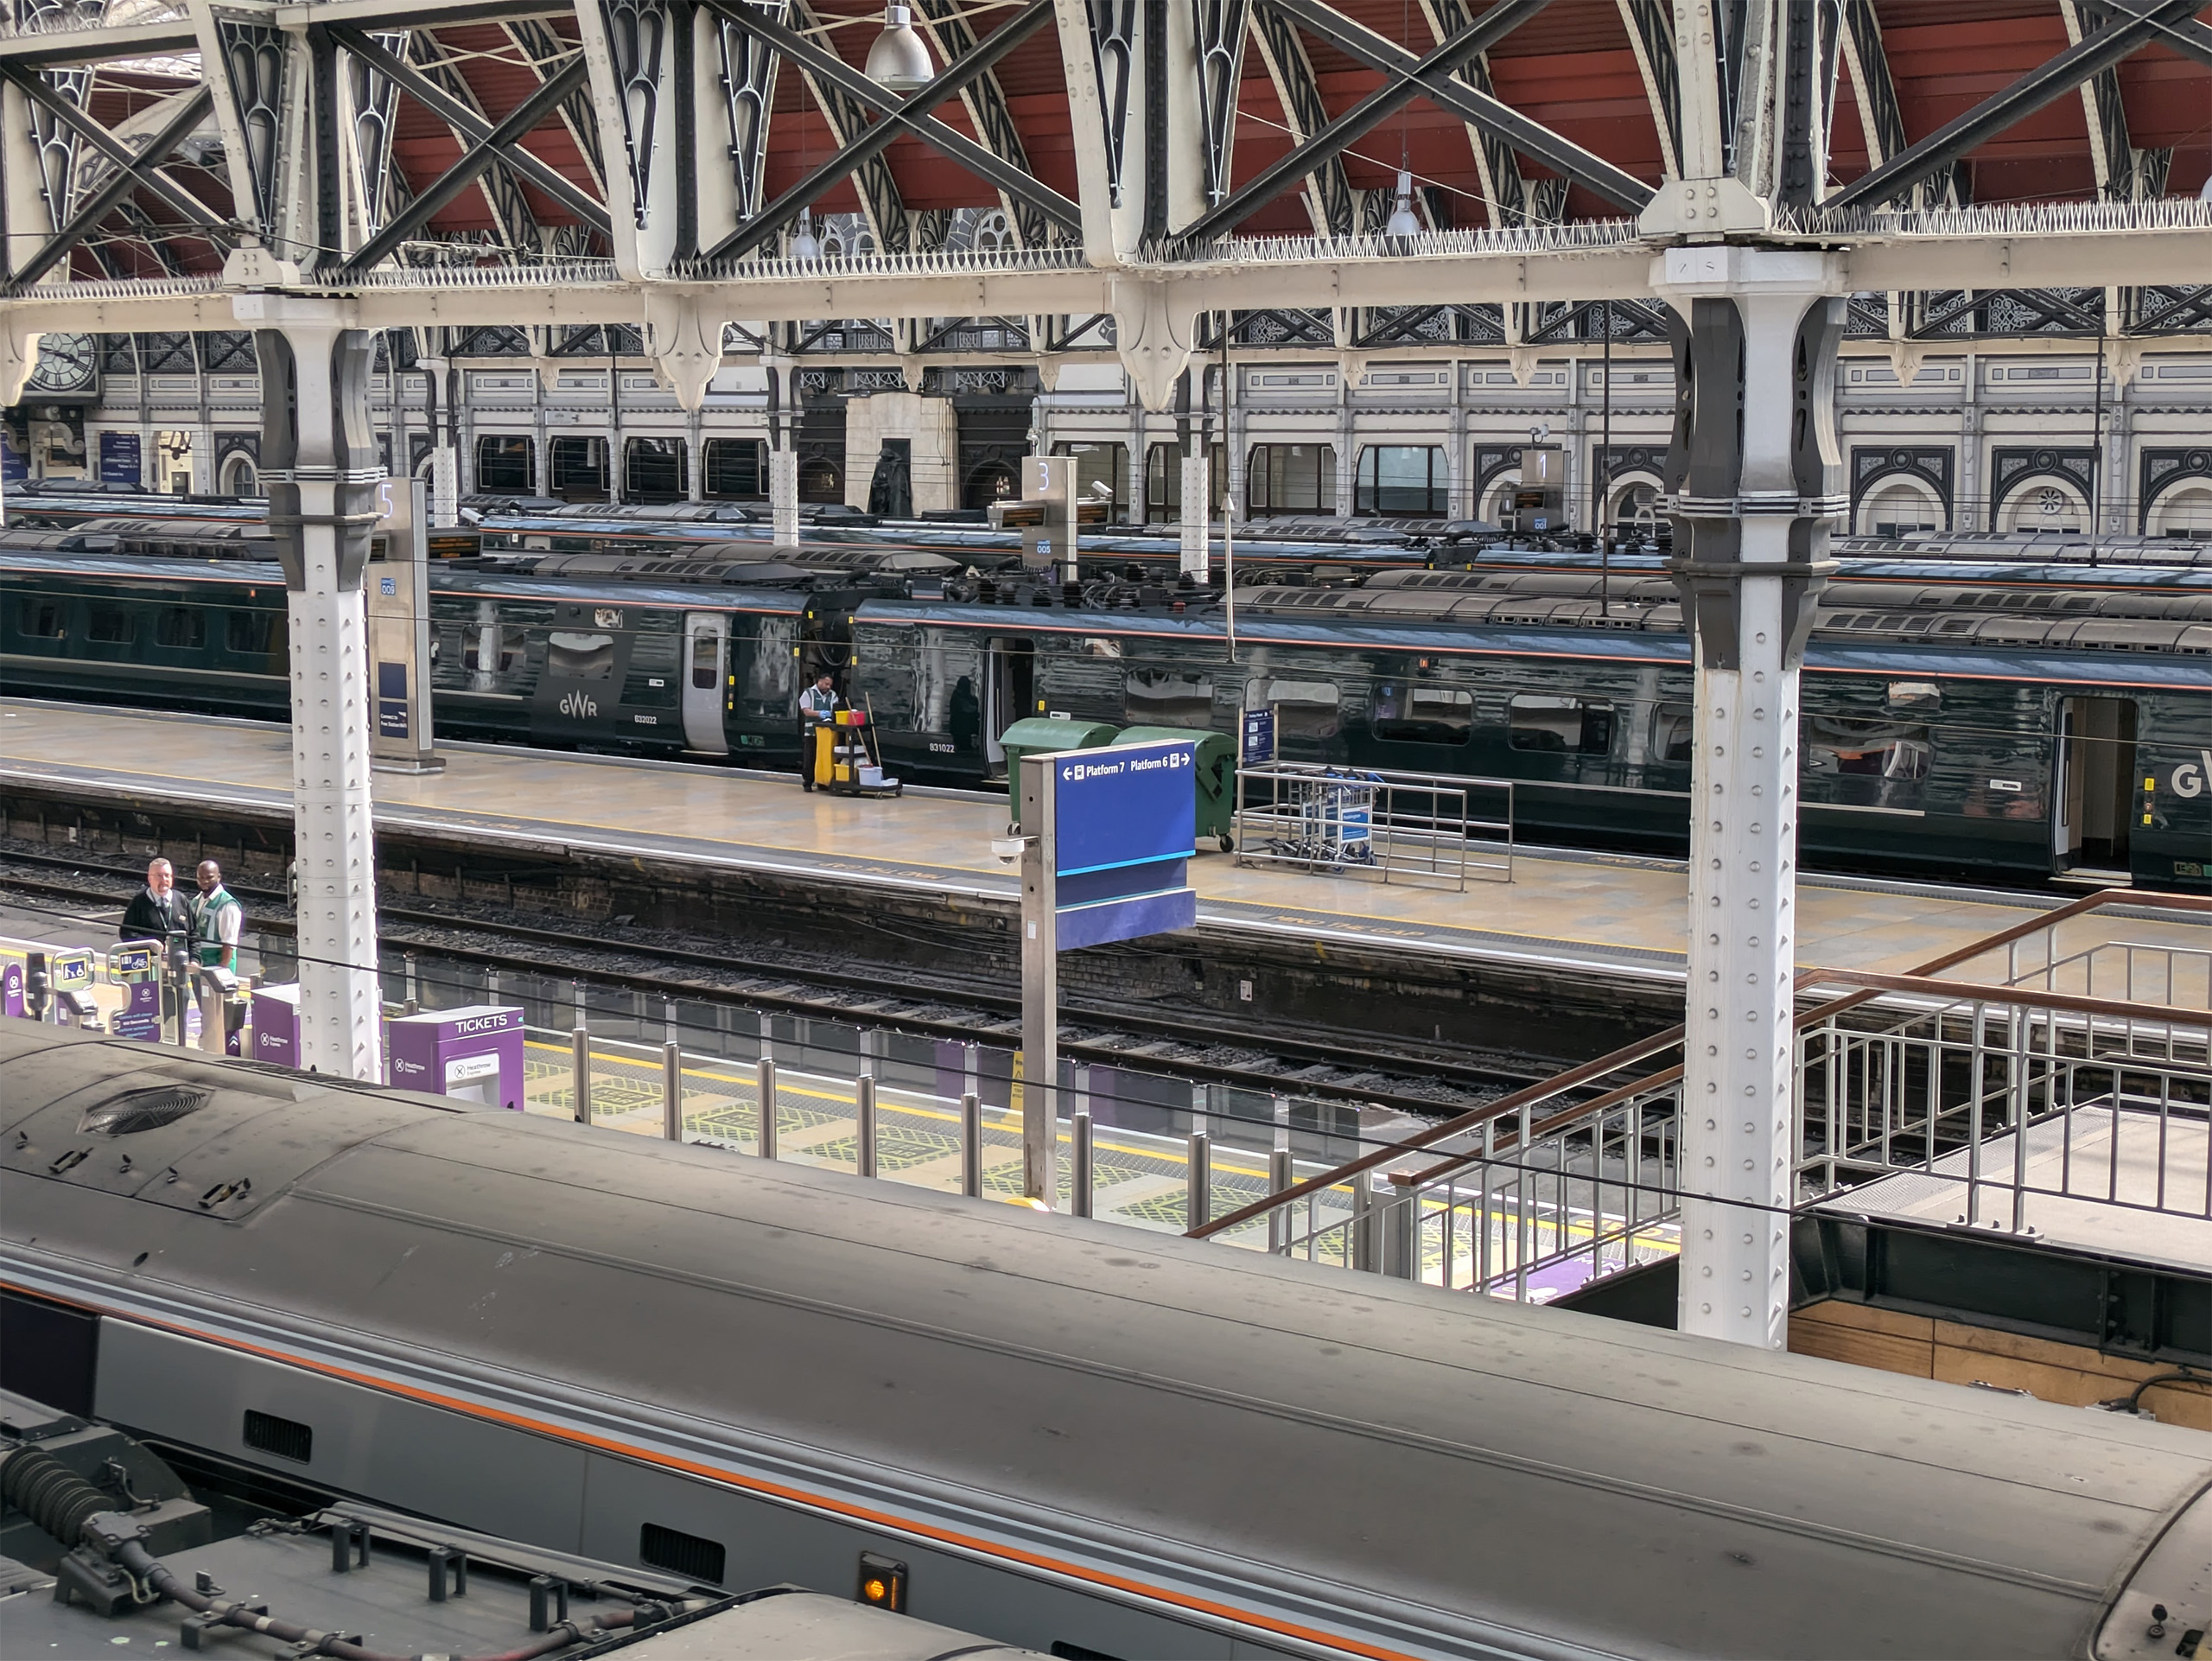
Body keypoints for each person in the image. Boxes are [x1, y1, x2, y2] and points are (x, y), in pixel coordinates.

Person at [119, 858, 190, 949]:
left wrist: (194, 957)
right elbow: (126, 933)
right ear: (150, 878)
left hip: (178, 956)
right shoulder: (139, 902)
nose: (164, 880)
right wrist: (149, 944)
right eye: (159, 876)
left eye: (167, 875)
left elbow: (194, 934)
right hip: (149, 956)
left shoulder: (181, 900)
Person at [188, 859, 242, 973]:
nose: (204, 881)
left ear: (219, 877)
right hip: (199, 965)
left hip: (217, 966)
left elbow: (229, 944)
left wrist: (221, 972)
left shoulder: (227, 905)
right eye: (201, 877)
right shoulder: (196, 901)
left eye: (209, 877)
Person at [797, 672, 841, 791]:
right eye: (826, 684)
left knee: (825, 758)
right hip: (811, 732)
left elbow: (835, 710)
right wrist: (819, 714)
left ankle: (823, 782)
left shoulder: (833, 695)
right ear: (819, 681)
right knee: (810, 757)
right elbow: (806, 711)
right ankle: (808, 782)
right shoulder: (808, 693)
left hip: (827, 733)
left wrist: (830, 715)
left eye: (830, 685)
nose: (828, 687)